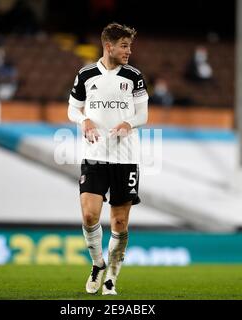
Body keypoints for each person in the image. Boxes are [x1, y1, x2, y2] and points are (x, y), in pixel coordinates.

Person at [67, 22, 148, 295]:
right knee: (89, 215)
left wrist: (128, 124)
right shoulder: (86, 74)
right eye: (124, 45)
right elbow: (72, 109)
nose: (129, 51)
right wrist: (84, 119)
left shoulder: (134, 77)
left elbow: (143, 115)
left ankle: (111, 279)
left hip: (125, 158)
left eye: (130, 46)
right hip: (94, 156)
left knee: (119, 223)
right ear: (108, 46)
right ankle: (98, 264)